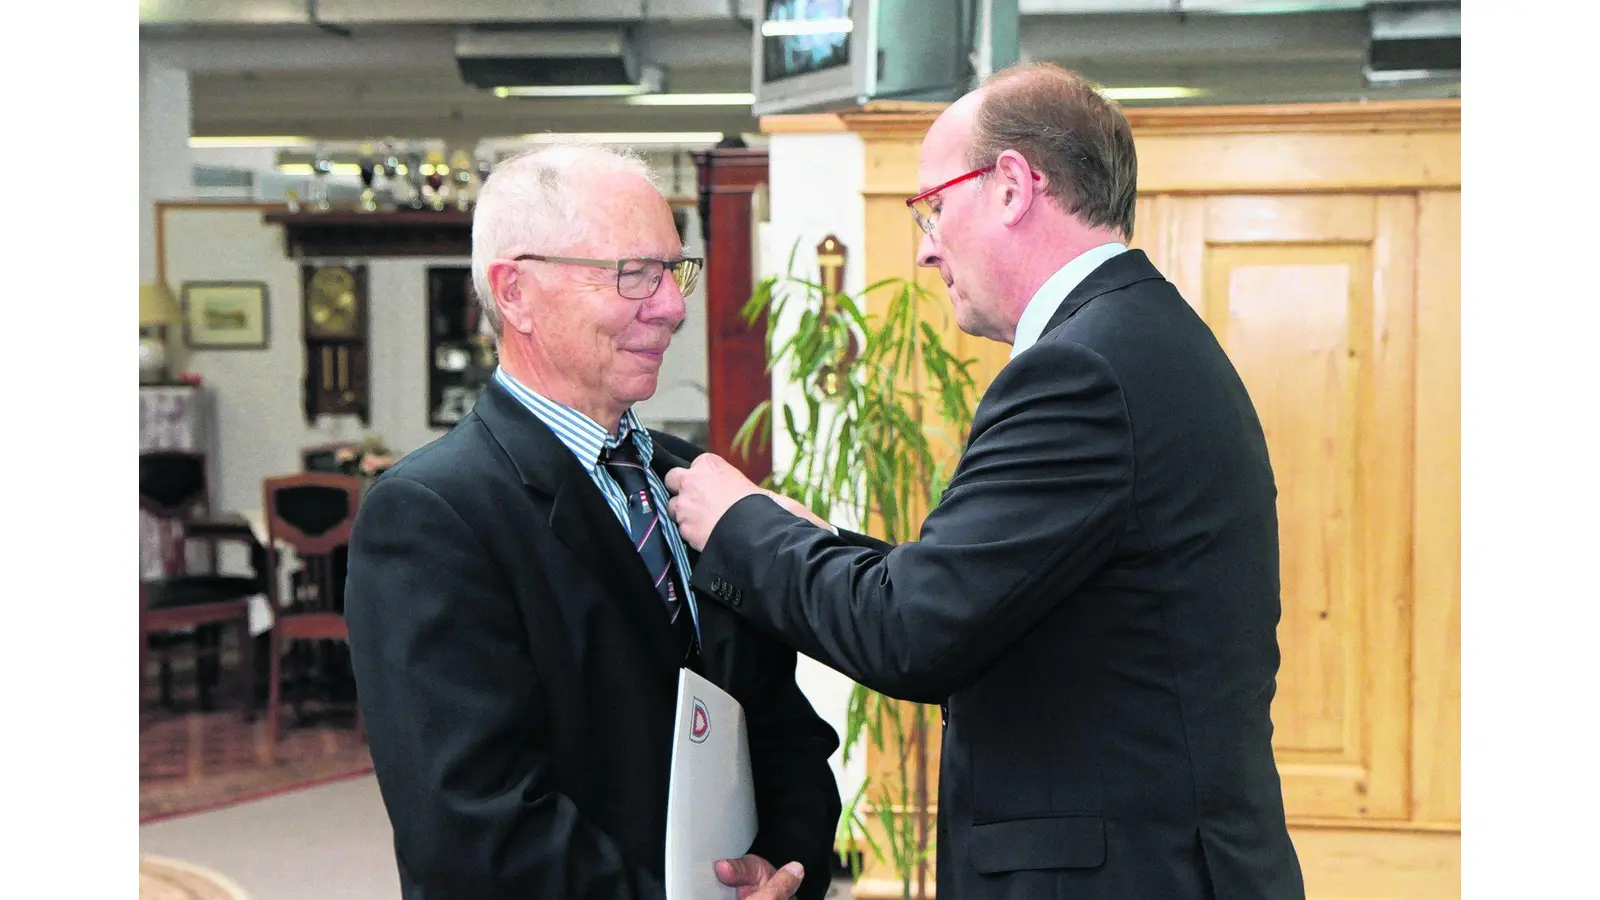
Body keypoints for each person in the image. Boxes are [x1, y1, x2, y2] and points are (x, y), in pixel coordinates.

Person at [665, 63, 1307, 900]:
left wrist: (743, 523)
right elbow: (987, 592)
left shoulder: (1079, 370)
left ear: (1012, 186)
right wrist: (815, 543)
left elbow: (914, 633)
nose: (926, 246)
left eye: (932, 205)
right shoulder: (1136, 337)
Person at [344, 144, 841, 900]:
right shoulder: (432, 515)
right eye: (633, 273)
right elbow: (473, 824)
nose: (673, 305)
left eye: (675, 271)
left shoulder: (696, 484)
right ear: (516, 293)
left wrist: (783, 867)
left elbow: (783, 726)